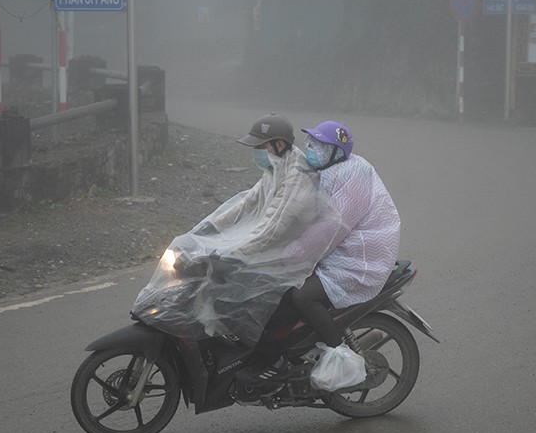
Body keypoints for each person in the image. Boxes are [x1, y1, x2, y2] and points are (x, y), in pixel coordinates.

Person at [132, 113, 341, 347]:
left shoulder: (297, 177)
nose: (255, 152)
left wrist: (237, 257)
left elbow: (272, 227)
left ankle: (265, 360)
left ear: (278, 144)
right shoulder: (277, 167)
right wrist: (205, 229)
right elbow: (245, 205)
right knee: (210, 276)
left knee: (230, 295)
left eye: (259, 146)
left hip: (286, 257)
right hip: (269, 248)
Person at [236, 120, 400, 385]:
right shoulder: (326, 170)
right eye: (311, 142)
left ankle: (337, 354)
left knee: (302, 296)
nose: (311, 148)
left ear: (337, 152)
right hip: (339, 253)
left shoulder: (353, 175)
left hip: (358, 261)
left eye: (320, 145)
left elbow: (331, 229)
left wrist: (290, 255)